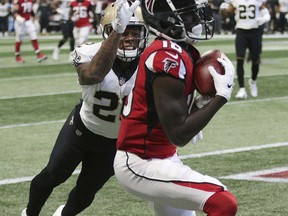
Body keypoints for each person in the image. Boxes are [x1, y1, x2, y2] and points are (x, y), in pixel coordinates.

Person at [21, 1, 147, 215]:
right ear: (109, 31)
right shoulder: (88, 52)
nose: (130, 38)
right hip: (82, 130)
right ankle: (30, 213)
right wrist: (117, 31)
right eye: (124, 31)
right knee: (52, 175)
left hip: (114, 142)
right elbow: (92, 76)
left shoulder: (150, 61)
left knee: (86, 193)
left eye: (135, 32)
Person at [113, 0, 238, 216]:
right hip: (140, 161)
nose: (198, 20)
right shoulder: (166, 56)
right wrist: (221, 97)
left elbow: (175, 126)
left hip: (164, 155)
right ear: (167, 19)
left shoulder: (183, 51)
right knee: (223, 202)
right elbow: (179, 134)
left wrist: (197, 108)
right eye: (190, 15)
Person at [220, 0, 271, 99]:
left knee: (255, 61)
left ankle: (252, 81)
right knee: (240, 60)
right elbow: (226, 14)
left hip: (255, 32)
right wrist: (223, 9)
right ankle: (242, 88)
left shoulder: (258, 1)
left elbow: (267, 14)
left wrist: (263, 19)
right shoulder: (235, 1)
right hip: (241, 32)